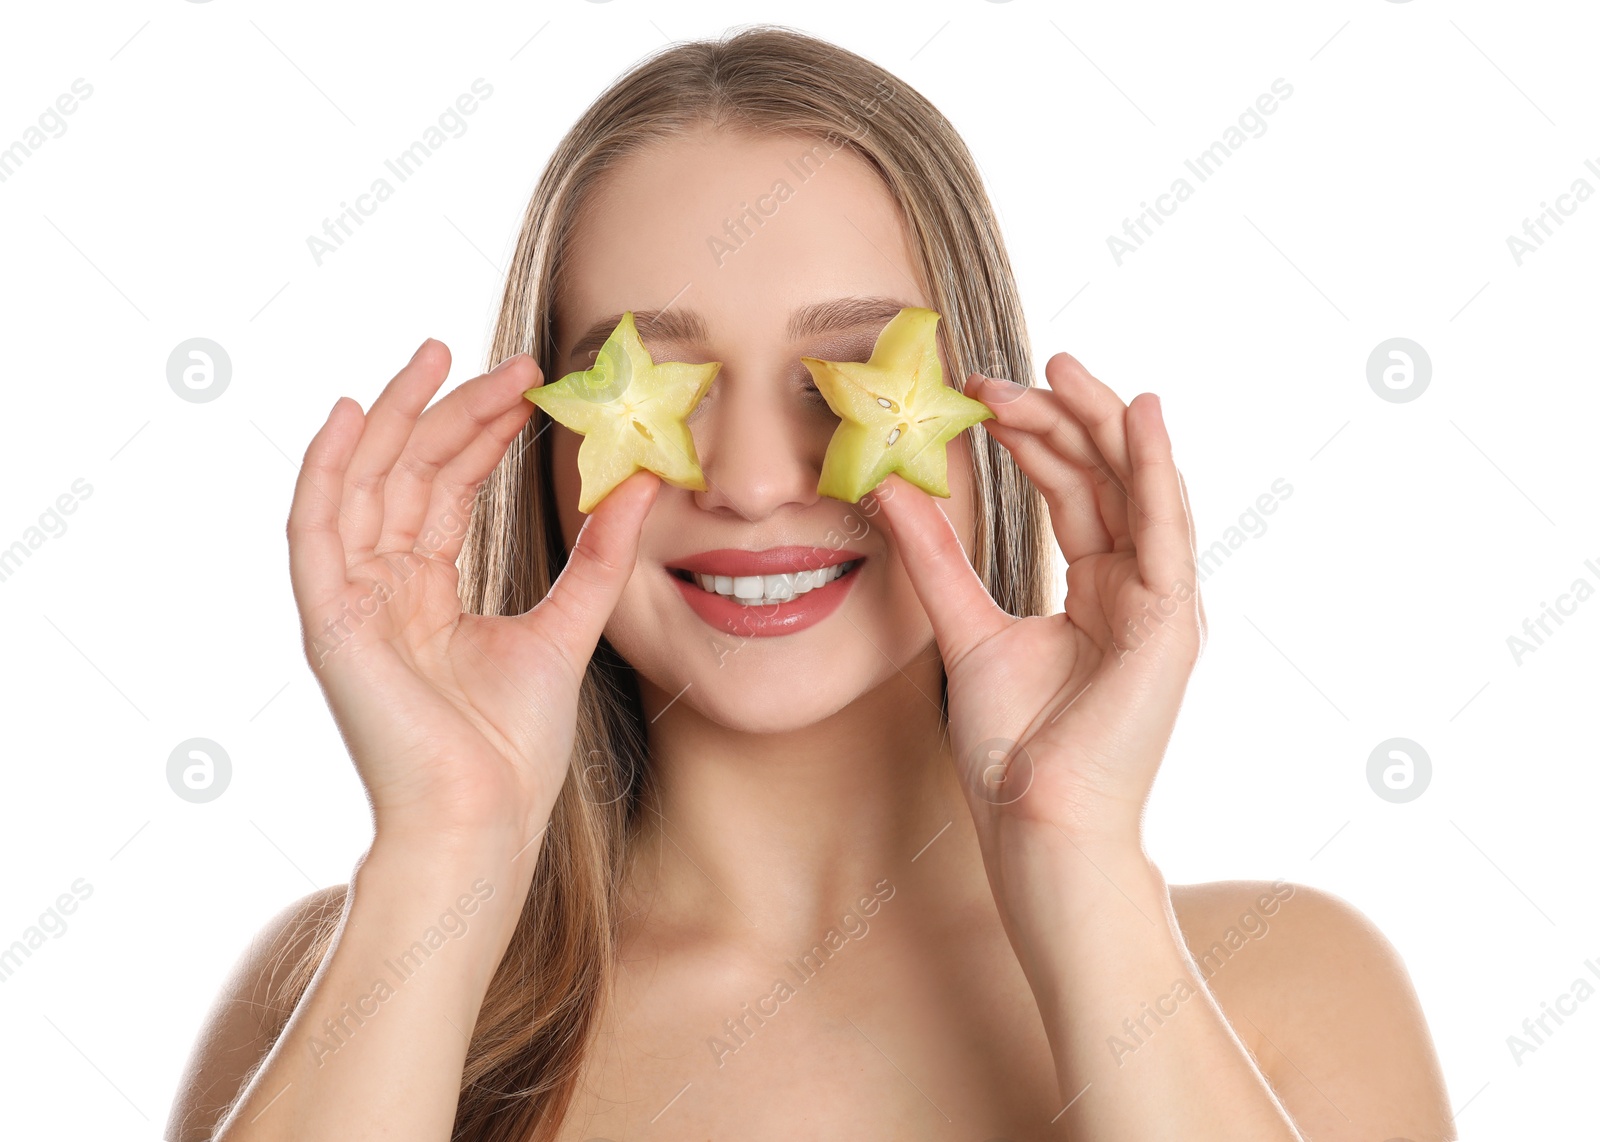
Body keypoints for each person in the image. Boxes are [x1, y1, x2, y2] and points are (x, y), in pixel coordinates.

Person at [167, 25, 1452, 1142]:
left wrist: (1077, 852)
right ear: (543, 454)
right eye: (658, 381)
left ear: (983, 421)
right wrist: (446, 841)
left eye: (839, 376)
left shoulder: (1289, 986)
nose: (749, 480)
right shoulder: (340, 986)